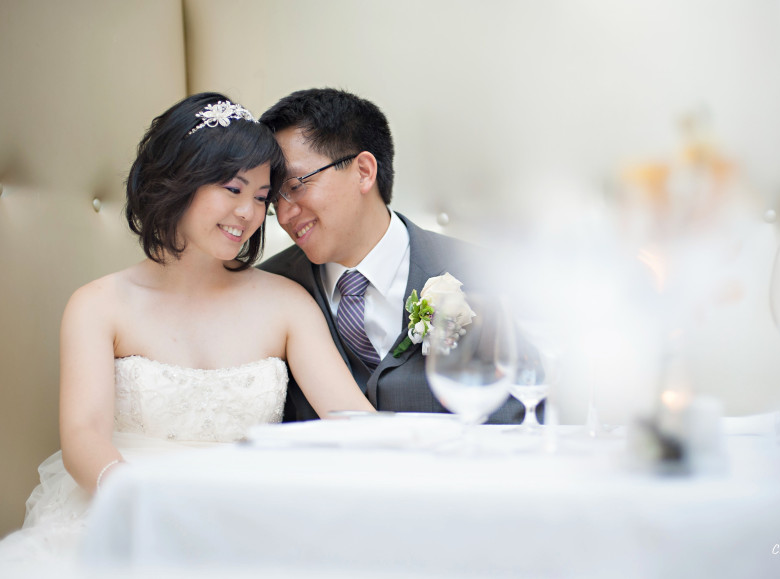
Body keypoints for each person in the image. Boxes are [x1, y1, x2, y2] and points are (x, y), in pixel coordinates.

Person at [0, 92, 374, 563]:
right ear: (179, 180)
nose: (248, 213)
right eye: (233, 189)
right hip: (129, 513)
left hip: (250, 521)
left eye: (261, 198)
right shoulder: (98, 305)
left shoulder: (287, 304)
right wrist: (149, 506)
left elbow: (355, 423)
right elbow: (82, 436)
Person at [258, 88, 523, 423]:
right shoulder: (270, 288)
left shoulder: (484, 273)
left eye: (295, 186)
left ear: (364, 171)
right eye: (273, 199)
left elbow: (517, 415)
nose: (284, 215)